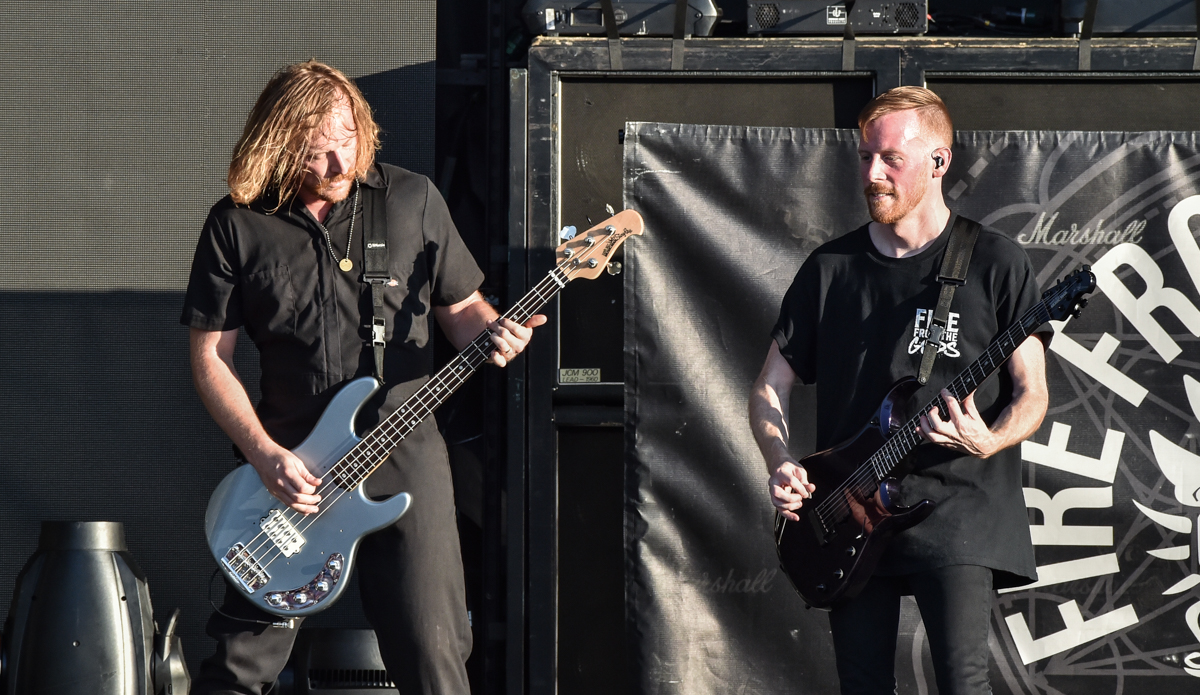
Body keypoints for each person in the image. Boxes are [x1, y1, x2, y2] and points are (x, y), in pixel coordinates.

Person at [181, 60, 544, 695]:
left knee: (435, 654)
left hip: (405, 454)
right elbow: (211, 355)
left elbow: (462, 311)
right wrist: (264, 455)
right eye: (317, 152)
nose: (338, 163)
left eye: (347, 139)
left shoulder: (412, 199)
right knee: (240, 665)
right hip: (292, 468)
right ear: (281, 145)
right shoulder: (237, 224)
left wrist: (494, 333)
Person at [748, 86, 1049, 695]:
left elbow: (1032, 393)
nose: (873, 173)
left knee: (963, 682)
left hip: (959, 506)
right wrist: (779, 461)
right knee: (863, 684)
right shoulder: (831, 269)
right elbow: (768, 387)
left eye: (890, 159)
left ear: (939, 162)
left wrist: (988, 440)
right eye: (865, 158)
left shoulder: (995, 261)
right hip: (850, 507)